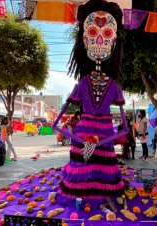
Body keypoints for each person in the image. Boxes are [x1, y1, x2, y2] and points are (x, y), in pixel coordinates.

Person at [52, 0, 127, 197]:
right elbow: (56, 124)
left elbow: (126, 129)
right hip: (89, 137)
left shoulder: (113, 87)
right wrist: (81, 140)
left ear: (115, 40)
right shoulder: (83, 84)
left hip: (100, 137)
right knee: (81, 175)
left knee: (102, 174)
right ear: (83, 39)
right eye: (93, 33)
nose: (100, 41)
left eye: (107, 33)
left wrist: (99, 141)